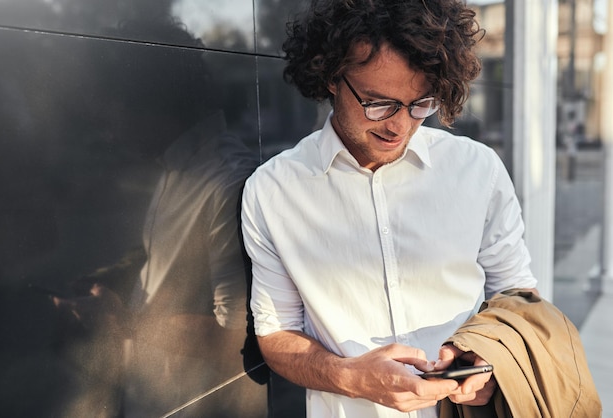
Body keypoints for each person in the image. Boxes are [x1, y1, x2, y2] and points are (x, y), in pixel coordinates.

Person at [240, 1, 539, 417]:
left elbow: (517, 296)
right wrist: (351, 377)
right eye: (378, 103)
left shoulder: (478, 169)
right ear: (331, 77)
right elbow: (276, 335)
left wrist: (489, 362)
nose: (399, 126)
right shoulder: (273, 191)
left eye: (421, 103)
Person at [51, 19, 265, 418]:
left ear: (150, 102)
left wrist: (122, 319)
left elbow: (236, 337)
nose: (108, 129)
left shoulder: (227, 183)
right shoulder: (176, 168)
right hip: (155, 398)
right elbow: (171, 252)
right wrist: (114, 276)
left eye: (111, 110)